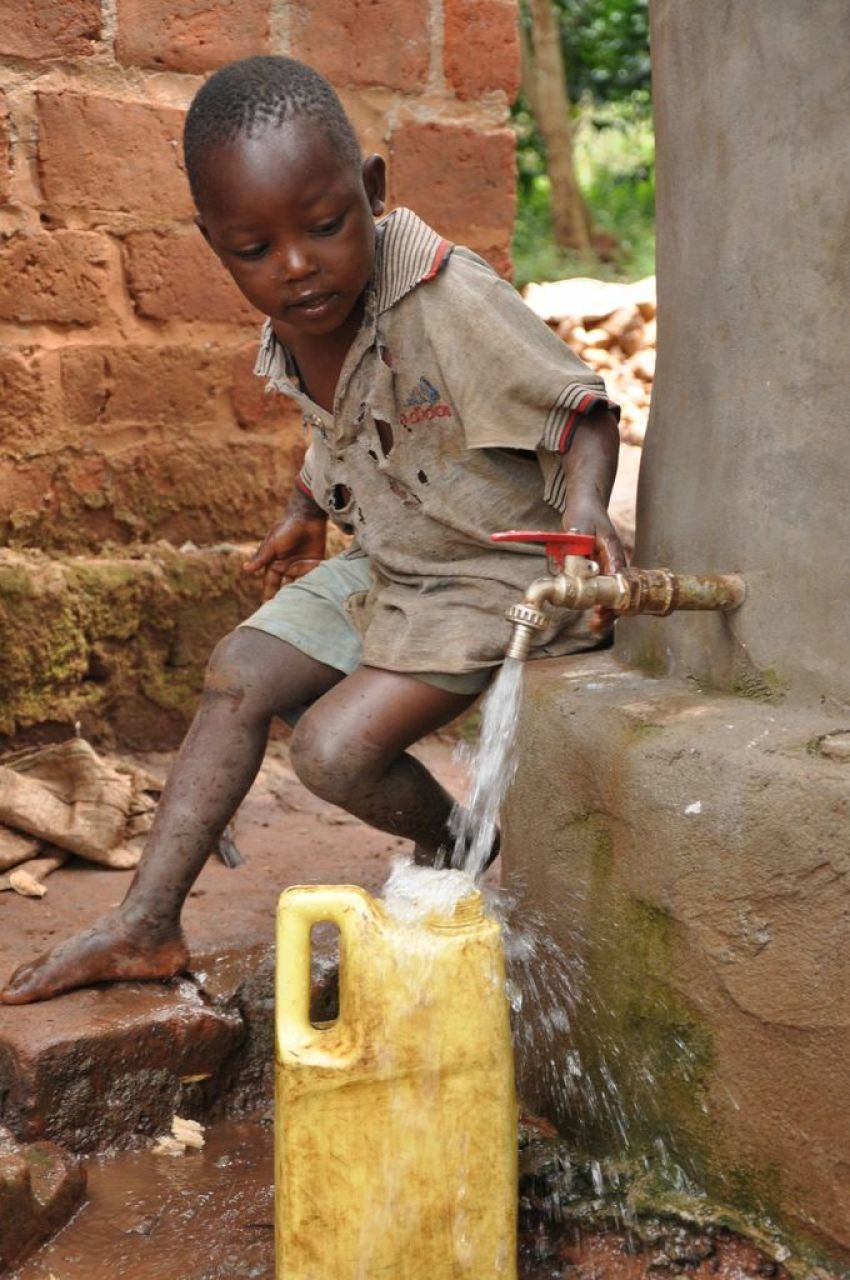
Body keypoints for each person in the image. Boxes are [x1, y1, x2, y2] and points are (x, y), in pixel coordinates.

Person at [0, 56, 624, 1005]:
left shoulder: (446, 299)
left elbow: (582, 411)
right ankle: (145, 923)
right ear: (216, 246)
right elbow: (342, 430)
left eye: (326, 227)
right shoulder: (299, 317)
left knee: (330, 752)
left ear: (372, 191)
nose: (294, 266)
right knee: (238, 673)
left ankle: (455, 839)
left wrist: (584, 519)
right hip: (393, 561)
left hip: (497, 576)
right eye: (254, 250)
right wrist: (304, 511)